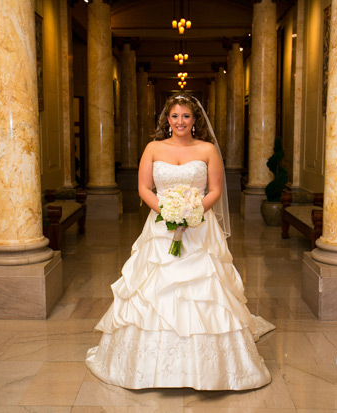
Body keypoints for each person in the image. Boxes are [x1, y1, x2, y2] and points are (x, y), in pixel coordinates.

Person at [85, 93, 275, 390]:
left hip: (200, 229)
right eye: (175, 116)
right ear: (167, 120)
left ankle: (211, 368)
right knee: (154, 288)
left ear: (195, 119)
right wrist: (168, 211)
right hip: (161, 228)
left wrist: (192, 211)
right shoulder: (153, 148)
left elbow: (214, 190)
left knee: (204, 290)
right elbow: (144, 187)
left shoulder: (208, 149)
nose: (180, 122)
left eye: (186, 116)